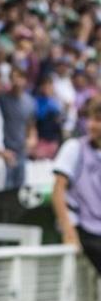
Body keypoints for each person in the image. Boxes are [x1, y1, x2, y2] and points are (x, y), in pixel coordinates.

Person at [52, 96, 101, 272]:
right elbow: (58, 190)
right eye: (92, 119)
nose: (92, 125)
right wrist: (68, 230)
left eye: (98, 120)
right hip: (83, 229)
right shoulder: (74, 148)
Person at [0, 67, 36, 189]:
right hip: (6, 149)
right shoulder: (1, 99)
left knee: (20, 188)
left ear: (25, 80)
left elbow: (31, 124)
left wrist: (32, 138)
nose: (17, 81)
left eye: (20, 78)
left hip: (22, 150)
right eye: (13, 78)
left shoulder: (30, 101)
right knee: (6, 187)